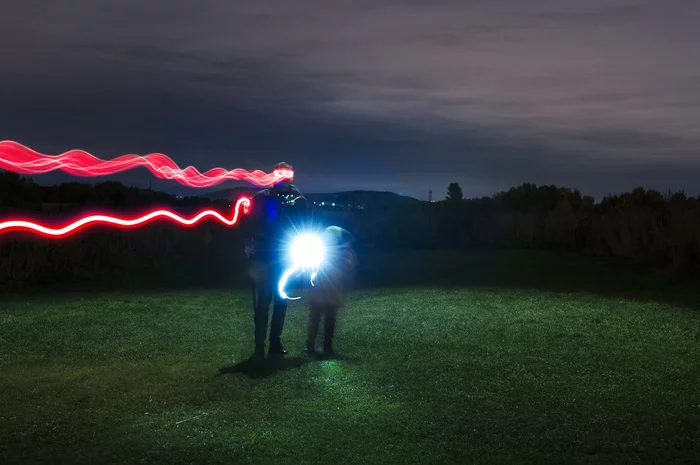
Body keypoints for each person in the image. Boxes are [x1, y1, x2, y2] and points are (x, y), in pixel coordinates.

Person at [242, 162, 306, 359]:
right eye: (281, 174)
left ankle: (275, 342)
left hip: (284, 256)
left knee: (281, 301)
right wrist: (250, 245)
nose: (284, 179)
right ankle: (259, 345)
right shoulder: (262, 197)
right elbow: (250, 223)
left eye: (287, 175)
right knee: (263, 302)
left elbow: (302, 222)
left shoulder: (297, 199)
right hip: (263, 255)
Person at [304, 226, 357, 356]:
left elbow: (349, 268)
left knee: (329, 321)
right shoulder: (321, 252)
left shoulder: (345, 254)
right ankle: (310, 344)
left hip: (332, 293)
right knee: (315, 319)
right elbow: (311, 268)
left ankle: (326, 345)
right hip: (319, 292)